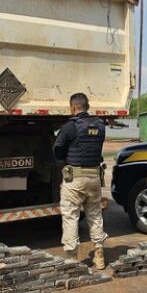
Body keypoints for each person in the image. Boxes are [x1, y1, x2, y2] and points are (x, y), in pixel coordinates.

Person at [53, 93, 108, 269]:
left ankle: (72, 259)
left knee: (70, 216)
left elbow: (58, 149)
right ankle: (99, 256)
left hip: (75, 178)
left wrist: (63, 162)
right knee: (95, 215)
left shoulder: (70, 126)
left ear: (73, 107)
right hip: (95, 177)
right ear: (87, 106)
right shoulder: (100, 125)